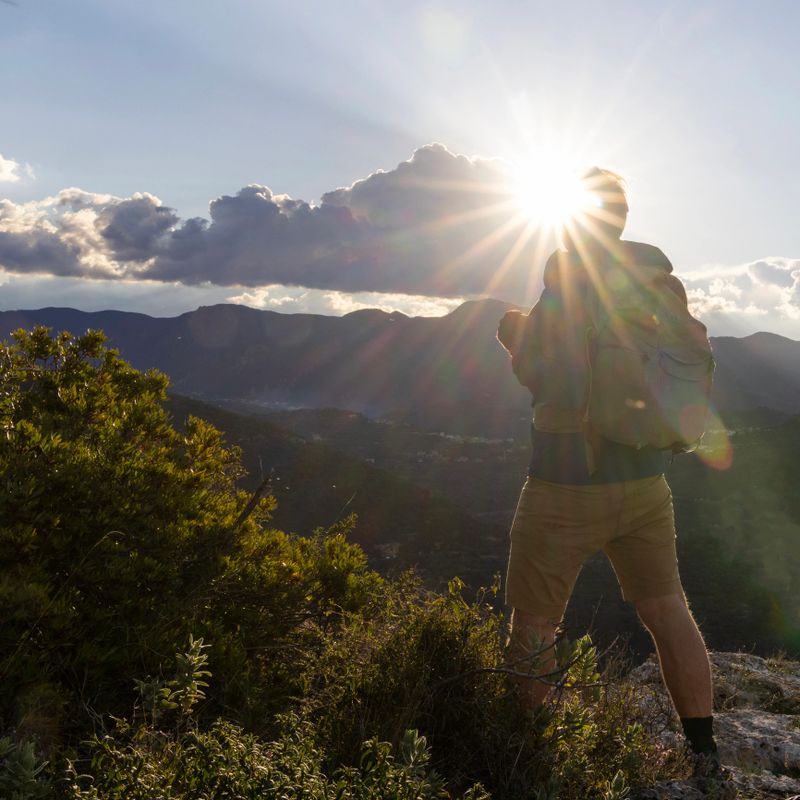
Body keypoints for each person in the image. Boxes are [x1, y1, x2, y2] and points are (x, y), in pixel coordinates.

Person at [497, 167, 731, 793]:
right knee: (668, 611)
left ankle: (532, 762)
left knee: (535, 624)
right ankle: (705, 752)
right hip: (648, 484)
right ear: (622, 218)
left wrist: (514, 336)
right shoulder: (656, 278)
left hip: (566, 484)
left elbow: (549, 376)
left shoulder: (565, 276)